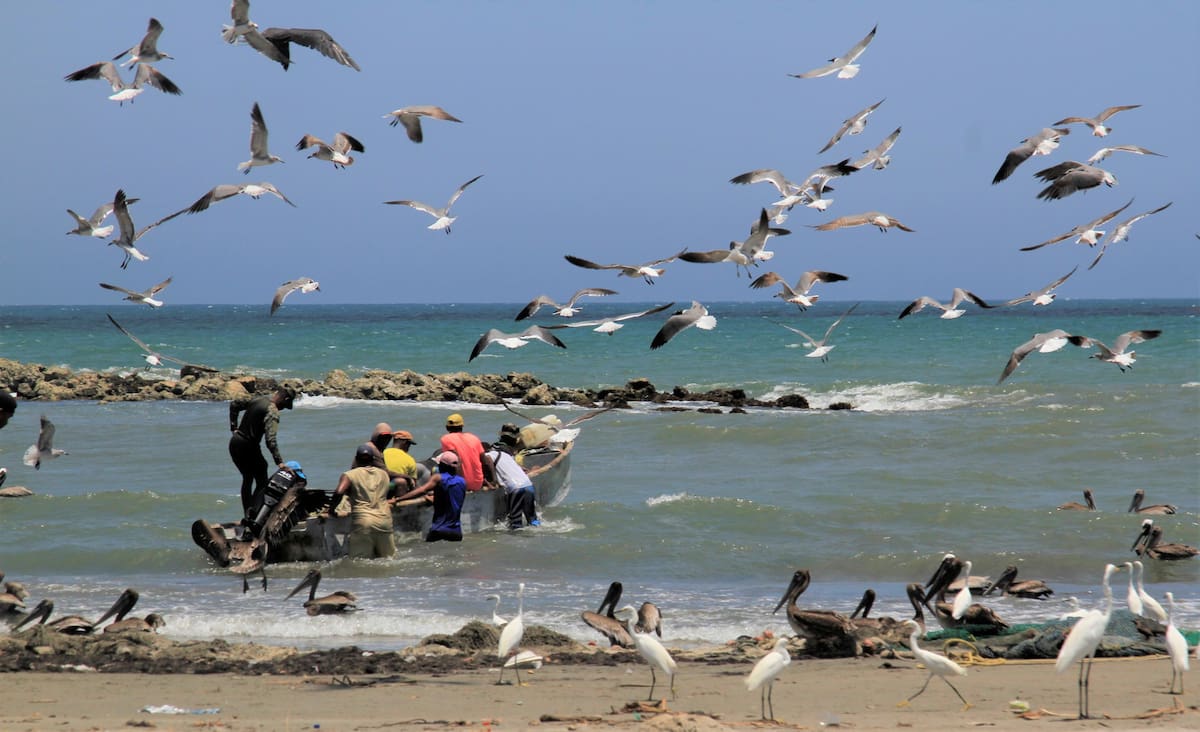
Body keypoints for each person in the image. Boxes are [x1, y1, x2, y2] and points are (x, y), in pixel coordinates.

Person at [228, 385, 295, 518]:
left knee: (247, 478)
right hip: (248, 446)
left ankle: (248, 514)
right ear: (285, 399)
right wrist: (280, 462)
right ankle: (255, 515)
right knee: (262, 477)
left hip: (235, 443)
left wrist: (233, 426)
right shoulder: (272, 410)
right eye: (286, 405)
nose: (284, 408)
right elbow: (270, 440)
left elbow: (234, 404)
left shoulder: (258, 400)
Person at [326, 443, 395, 558]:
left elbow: (339, 492)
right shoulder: (384, 474)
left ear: (356, 459)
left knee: (360, 561)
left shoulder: (349, 475)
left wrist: (332, 510)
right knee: (388, 559)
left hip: (363, 522)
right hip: (385, 521)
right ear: (373, 459)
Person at [396, 450, 466, 542]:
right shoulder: (462, 482)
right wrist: (435, 497)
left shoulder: (438, 478)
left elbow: (422, 490)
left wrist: (398, 499)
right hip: (456, 533)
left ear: (442, 465)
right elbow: (450, 500)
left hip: (439, 530)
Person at [485, 424, 539, 529]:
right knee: (533, 520)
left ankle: (516, 542)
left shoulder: (489, 455)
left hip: (515, 488)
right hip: (528, 485)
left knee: (515, 523)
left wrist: (493, 480)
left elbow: (489, 462)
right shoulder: (507, 455)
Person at [439, 413, 495, 493]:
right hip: (477, 483)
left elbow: (456, 462)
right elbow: (485, 461)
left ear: (447, 428)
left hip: (462, 484)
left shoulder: (445, 439)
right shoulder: (474, 437)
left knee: (438, 467)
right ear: (462, 426)